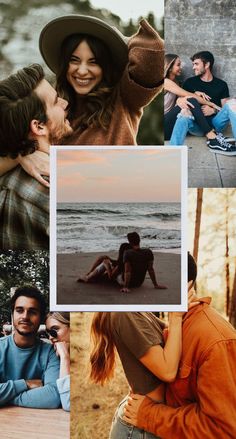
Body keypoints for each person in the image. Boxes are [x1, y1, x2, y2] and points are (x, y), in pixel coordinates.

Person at [123, 253, 236, 439]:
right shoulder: (179, 324)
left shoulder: (217, 341)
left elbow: (221, 429)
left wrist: (149, 415)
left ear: (186, 285)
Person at [39, 14, 164, 145]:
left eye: (93, 62)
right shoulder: (52, 104)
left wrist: (115, 39)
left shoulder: (123, 96)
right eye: (74, 60)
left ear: (105, 66)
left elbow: (155, 52)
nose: (82, 71)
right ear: (65, 64)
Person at [0, 63, 72, 249]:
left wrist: (18, 155)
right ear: (38, 126)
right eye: (56, 101)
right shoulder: (53, 193)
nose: (65, 103)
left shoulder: (6, 178)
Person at [90, 309, 184, 439]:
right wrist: (177, 316)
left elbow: (171, 334)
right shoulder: (125, 314)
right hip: (139, 431)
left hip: (151, 419)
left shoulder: (138, 309)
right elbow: (168, 371)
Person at [0, 286, 61, 409]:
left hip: (37, 423)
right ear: (12, 314)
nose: (25, 317)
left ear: (41, 318)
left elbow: (53, 397)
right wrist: (25, 384)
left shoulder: (50, 352)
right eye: (19, 310)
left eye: (32, 312)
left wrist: (5, 397)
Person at [169, 51, 236, 155]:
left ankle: (215, 138)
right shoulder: (189, 83)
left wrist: (213, 110)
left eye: (196, 64)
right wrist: (191, 95)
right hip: (196, 126)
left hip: (215, 123)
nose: (193, 67)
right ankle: (172, 154)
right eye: (193, 64)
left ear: (207, 64)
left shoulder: (222, 85)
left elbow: (225, 112)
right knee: (184, 114)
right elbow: (180, 102)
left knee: (233, 104)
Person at [46, 312, 70, 412]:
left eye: (55, 330)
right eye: (48, 333)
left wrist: (65, 357)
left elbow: (68, 404)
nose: (50, 337)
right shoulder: (53, 356)